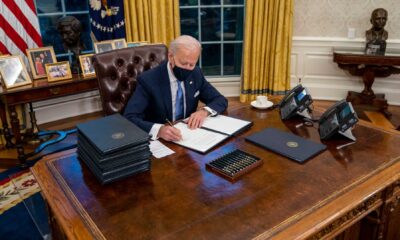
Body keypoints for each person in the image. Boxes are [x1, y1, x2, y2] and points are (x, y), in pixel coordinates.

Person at [124, 35, 228, 141]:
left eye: (191, 64)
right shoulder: (149, 80)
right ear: (170, 56)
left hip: (188, 134)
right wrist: (159, 130)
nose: (188, 68)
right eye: (183, 63)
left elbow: (220, 100)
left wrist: (204, 112)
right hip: (161, 140)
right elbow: (130, 117)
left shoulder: (196, 73)